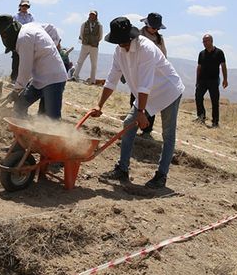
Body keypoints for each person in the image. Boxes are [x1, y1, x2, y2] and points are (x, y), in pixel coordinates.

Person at [92, 17, 184, 189]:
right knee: (128, 123)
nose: (123, 45)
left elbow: (145, 84)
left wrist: (141, 113)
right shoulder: (119, 52)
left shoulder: (146, 49)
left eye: (125, 42)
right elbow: (112, 79)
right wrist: (100, 105)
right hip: (147, 94)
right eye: (119, 43)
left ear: (131, 36)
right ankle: (122, 168)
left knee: (168, 133)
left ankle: (161, 175)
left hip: (167, 91)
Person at [0, 15, 68, 119]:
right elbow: (50, 27)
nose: (3, 38)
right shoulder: (30, 27)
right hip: (39, 79)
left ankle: (56, 134)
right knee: (20, 105)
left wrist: (15, 91)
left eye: (3, 34)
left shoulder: (24, 38)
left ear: (9, 31)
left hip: (53, 79)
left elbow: (25, 70)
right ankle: (22, 129)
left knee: (50, 118)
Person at [131, 12, 168, 136]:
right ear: (147, 24)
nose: (155, 30)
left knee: (151, 103)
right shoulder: (138, 35)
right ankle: (132, 127)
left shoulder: (159, 39)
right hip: (138, 73)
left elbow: (163, 55)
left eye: (157, 28)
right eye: (153, 27)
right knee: (135, 101)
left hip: (153, 75)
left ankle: (147, 130)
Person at [194, 34, 228, 127]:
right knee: (198, 96)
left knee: (215, 101)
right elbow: (199, 67)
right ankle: (201, 116)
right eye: (203, 41)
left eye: (206, 41)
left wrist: (225, 79)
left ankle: (215, 121)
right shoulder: (201, 53)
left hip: (213, 80)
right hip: (202, 80)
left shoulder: (219, 52)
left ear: (211, 41)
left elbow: (223, 66)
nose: (204, 43)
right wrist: (197, 80)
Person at [73, 10, 103, 84]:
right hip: (85, 46)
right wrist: (86, 41)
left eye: (93, 15)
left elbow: (100, 36)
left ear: (96, 16)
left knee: (94, 64)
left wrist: (94, 42)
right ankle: (75, 76)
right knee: (80, 61)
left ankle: (92, 80)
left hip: (94, 47)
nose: (91, 16)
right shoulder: (84, 24)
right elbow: (81, 34)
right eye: (90, 15)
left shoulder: (99, 26)